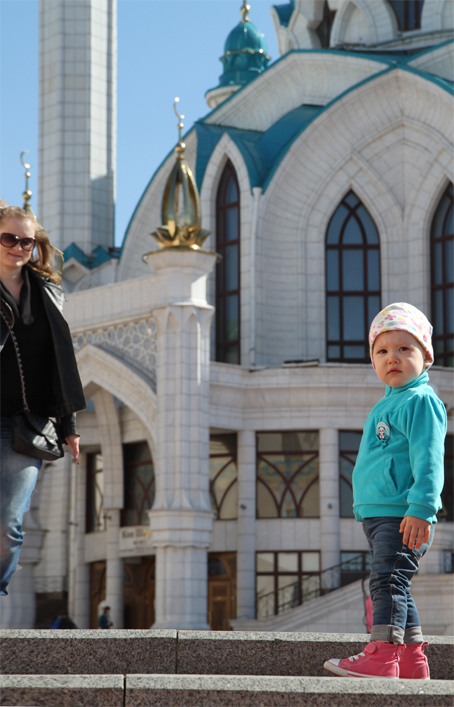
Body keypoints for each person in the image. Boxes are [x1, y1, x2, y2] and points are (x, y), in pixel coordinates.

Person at [324, 303, 446, 680]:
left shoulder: (421, 401)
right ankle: (411, 661)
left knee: (387, 581)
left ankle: (381, 655)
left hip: (403, 512)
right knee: (397, 584)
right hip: (382, 514)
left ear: (425, 356)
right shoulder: (388, 402)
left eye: (404, 349)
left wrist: (422, 506)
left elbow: (429, 458)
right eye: (382, 351)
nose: (392, 357)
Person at [0, 206, 85, 597]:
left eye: (26, 241)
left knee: (8, 522)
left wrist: (68, 426)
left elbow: (59, 362)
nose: (18, 247)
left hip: (26, 425)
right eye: (9, 239)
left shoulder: (48, 292)